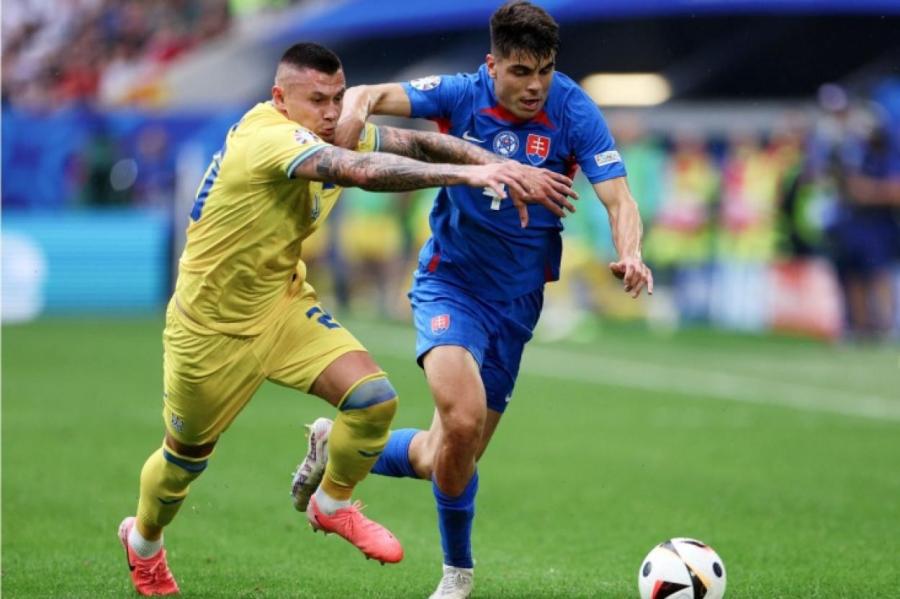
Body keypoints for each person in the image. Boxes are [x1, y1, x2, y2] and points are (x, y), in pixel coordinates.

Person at [118, 41, 577, 597]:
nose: (333, 112)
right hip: (210, 329)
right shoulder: (268, 138)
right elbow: (356, 170)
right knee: (183, 463)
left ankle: (331, 503)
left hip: (281, 305)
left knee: (373, 400)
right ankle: (143, 542)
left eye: (338, 98)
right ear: (280, 98)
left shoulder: (334, 129)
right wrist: (463, 178)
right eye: (318, 101)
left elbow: (417, 142)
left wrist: (492, 162)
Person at [289, 3, 653, 598]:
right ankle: (457, 575)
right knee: (461, 418)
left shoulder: (573, 108)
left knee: (446, 455)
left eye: (545, 70)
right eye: (521, 72)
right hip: (451, 283)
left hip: (518, 303)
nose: (535, 85)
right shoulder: (460, 93)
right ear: (492, 65)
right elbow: (368, 93)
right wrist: (351, 117)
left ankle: (338, 445)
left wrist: (631, 252)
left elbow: (619, 197)